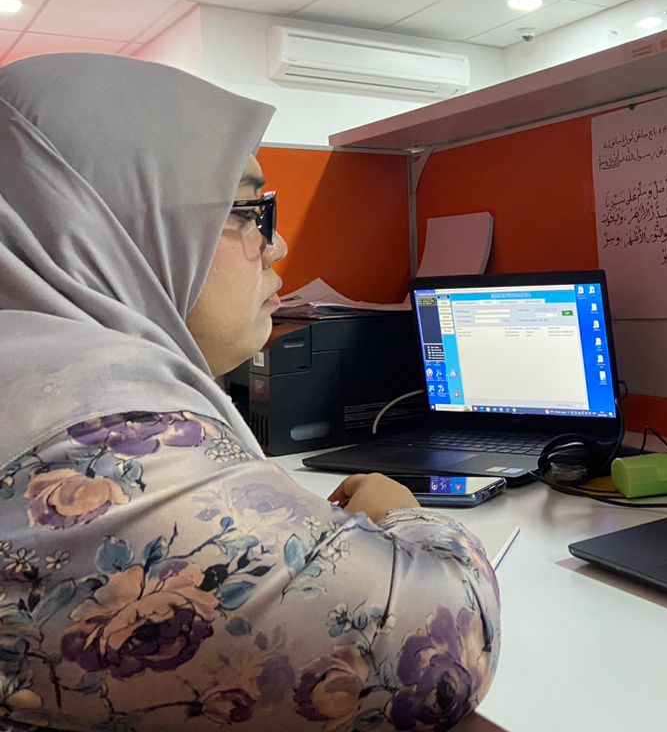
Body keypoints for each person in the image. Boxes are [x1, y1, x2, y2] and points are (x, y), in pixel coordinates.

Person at [0, 54, 499, 731]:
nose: (279, 243)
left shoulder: (35, 378)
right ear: (116, 224)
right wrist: (407, 516)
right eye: (249, 210)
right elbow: (443, 656)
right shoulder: (105, 446)